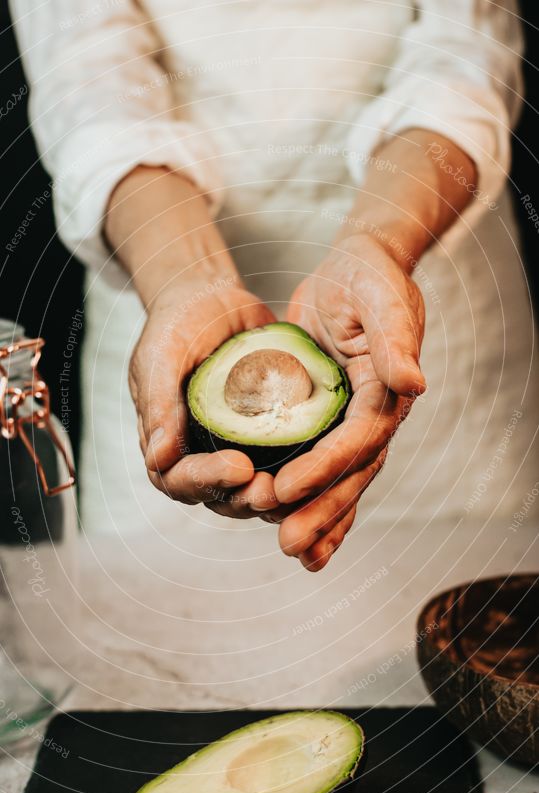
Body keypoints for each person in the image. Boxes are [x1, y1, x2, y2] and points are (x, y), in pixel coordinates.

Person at [11, 1, 538, 570]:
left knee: (464, 618)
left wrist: (381, 245)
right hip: (158, 270)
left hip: (426, 293)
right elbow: (91, 80)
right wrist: (185, 280)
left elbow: (463, 54)